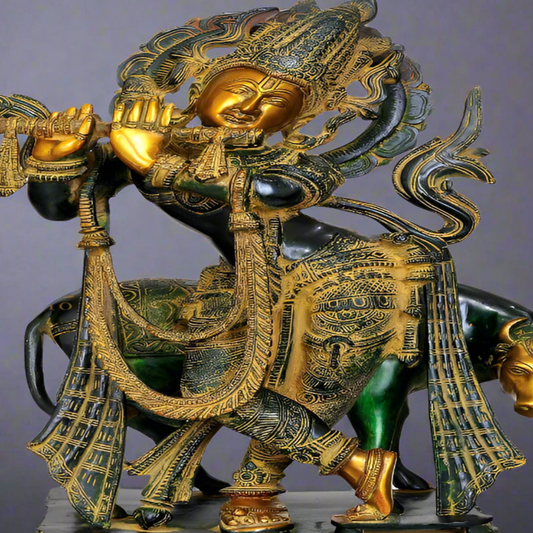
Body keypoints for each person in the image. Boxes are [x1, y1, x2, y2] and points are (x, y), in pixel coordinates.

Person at [18, 1, 524, 531]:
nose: (250, 106)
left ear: (295, 119)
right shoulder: (155, 143)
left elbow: (271, 192)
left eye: (276, 102)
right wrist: (54, 156)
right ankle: (358, 467)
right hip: (251, 281)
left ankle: (260, 494)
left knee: (298, 381)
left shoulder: (287, 162)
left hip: (342, 276)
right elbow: (63, 207)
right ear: (203, 86)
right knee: (209, 388)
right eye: (239, 88)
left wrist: (153, 161)